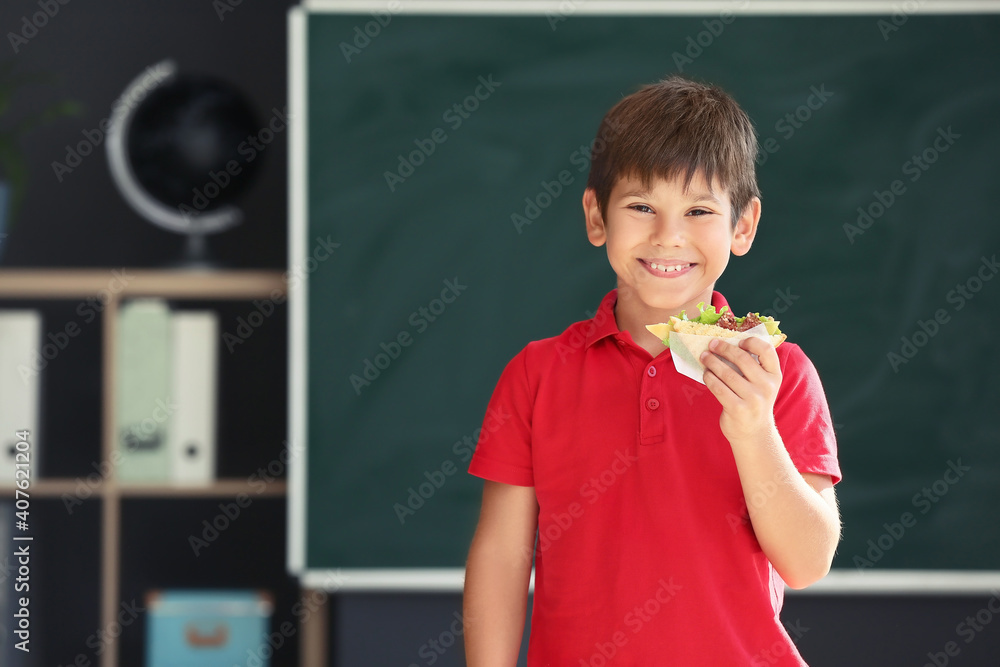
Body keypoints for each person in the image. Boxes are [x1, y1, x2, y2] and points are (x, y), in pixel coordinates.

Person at [462, 75, 842, 666]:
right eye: (642, 207)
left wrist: (753, 428)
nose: (669, 237)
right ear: (596, 218)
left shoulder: (778, 374)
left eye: (699, 211)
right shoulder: (537, 374)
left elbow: (808, 562)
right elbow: (501, 558)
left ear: (742, 226)